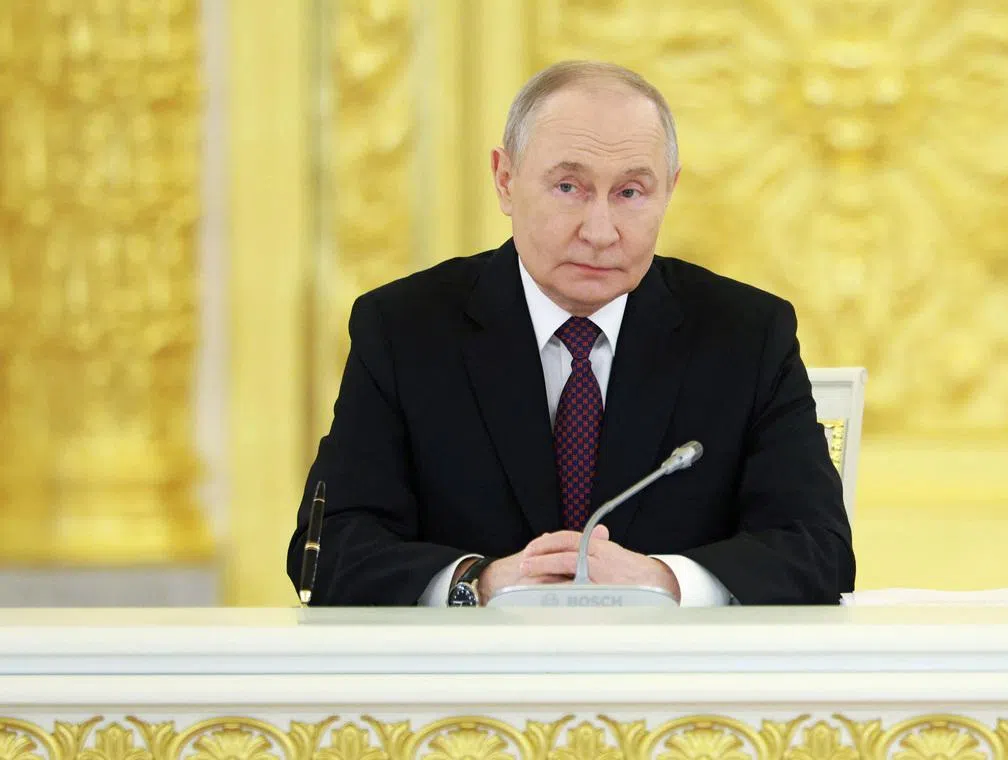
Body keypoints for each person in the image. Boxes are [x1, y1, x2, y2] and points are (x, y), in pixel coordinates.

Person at [286, 60, 855, 607]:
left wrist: (664, 582)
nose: (601, 231)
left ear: (669, 191)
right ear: (505, 181)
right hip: (467, 686)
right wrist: (479, 584)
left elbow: (819, 550)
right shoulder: (404, 328)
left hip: (675, 686)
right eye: (568, 188)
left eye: (631, 193)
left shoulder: (747, 334)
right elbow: (327, 549)